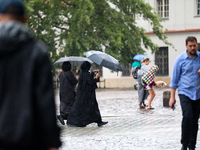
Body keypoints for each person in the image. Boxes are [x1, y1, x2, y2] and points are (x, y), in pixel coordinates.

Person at [0, 0, 61, 150]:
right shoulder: (37, 51)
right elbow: (45, 100)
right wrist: (52, 142)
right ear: (25, 19)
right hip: (29, 135)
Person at [169, 36, 200, 150]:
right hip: (184, 92)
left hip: (198, 93)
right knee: (187, 117)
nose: (193, 48)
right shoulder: (180, 59)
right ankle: (184, 143)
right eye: (190, 46)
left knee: (195, 119)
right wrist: (172, 98)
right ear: (186, 46)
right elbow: (174, 80)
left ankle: (192, 145)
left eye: (194, 45)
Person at [67, 61, 108, 127]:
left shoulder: (83, 73)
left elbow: (88, 80)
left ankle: (99, 121)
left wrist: (92, 73)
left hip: (84, 95)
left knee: (93, 108)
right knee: (91, 108)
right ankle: (97, 121)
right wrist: (97, 77)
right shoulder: (85, 74)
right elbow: (90, 82)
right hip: (87, 96)